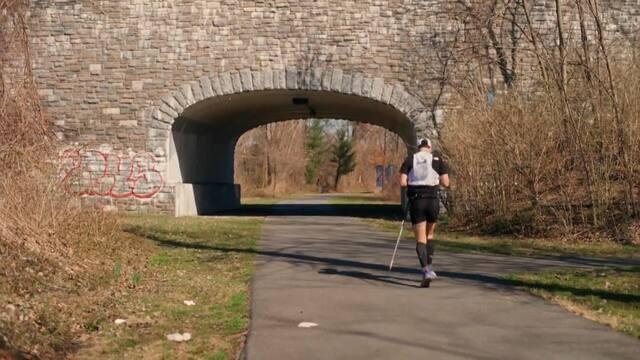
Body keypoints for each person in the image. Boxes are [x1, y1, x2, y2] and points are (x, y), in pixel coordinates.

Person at [399, 138, 450, 287]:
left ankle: (426, 270)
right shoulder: (437, 160)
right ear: (429, 147)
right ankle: (430, 267)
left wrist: (413, 182)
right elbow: (446, 183)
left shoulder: (410, 159)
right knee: (430, 235)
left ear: (419, 147)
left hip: (417, 200)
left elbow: (402, 182)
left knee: (420, 238)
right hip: (433, 201)